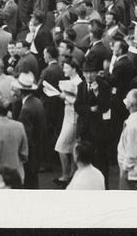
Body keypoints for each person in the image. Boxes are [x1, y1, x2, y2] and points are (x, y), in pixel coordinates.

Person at [54, 57, 88, 186]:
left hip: (73, 116)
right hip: (68, 115)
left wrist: (65, 97)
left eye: (66, 67)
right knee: (73, 146)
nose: (64, 70)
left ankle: (66, 175)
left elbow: (79, 102)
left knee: (61, 146)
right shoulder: (72, 81)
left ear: (74, 69)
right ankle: (72, 173)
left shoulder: (78, 82)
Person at [15, 71, 47, 189]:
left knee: (29, 184)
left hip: (30, 157)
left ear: (20, 90)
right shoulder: (37, 102)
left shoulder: (26, 110)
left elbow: (26, 137)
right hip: (38, 152)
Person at [116, 89, 137, 190]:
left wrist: (125, 169)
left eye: (127, 98)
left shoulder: (133, 126)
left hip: (131, 173)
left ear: (131, 103)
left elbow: (132, 153)